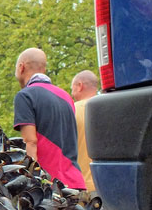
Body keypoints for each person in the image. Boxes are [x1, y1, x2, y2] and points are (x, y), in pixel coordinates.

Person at [12, 48, 85, 189]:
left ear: (21, 67)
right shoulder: (66, 97)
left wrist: (31, 180)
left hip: (49, 183)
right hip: (75, 182)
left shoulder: (25, 96)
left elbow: (30, 141)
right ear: (43, 69)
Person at [70, 70, 98, 194]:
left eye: (72, 88)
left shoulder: (72, 110)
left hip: (81, 184)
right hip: (108, 184)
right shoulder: (112, 108)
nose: (71, 93)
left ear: (80, 86)